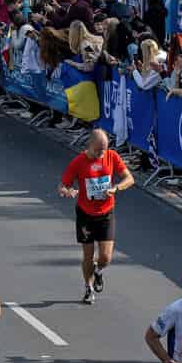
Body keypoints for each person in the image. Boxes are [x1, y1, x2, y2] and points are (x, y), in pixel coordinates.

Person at [59, 128, 133, 304]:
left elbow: (129, 179)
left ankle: (98, 271)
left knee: (105, 257)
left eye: (104, 149)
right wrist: (67, 191)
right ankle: (88, 287)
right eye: (98, 149)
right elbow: (63, 185)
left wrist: (116, 188)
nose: (102, 153)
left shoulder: (112, 157)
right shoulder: (78, 162)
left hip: (106, 212)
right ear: (89, 145)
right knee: (88, 256)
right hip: (85, 213)